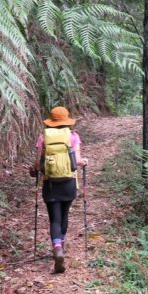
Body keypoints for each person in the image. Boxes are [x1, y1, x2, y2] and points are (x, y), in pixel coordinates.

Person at [29, 106, 87, 274]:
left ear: (51, 122)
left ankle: (57, 247)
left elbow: (38, 165)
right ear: (66, 121)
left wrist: (34, 170)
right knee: (65, 214)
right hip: (68, 182)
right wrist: (85, 161)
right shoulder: (73, 137)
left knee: (54, 218)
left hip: (50, 184)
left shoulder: (43, 138)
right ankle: (61, 244)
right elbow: (77, 161)